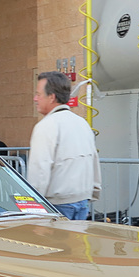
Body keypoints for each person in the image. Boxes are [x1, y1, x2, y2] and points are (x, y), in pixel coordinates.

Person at [27, 70, 101, 220]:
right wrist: (93, 192)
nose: (35, 99)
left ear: (52, 97)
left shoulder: (46, 126)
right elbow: (93, 159)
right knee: (77, 243)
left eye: (38, 94)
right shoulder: (82, 123)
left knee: (50, 244)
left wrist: (33, 209)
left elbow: (39, 169)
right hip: (82, 201)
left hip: (56, 205)